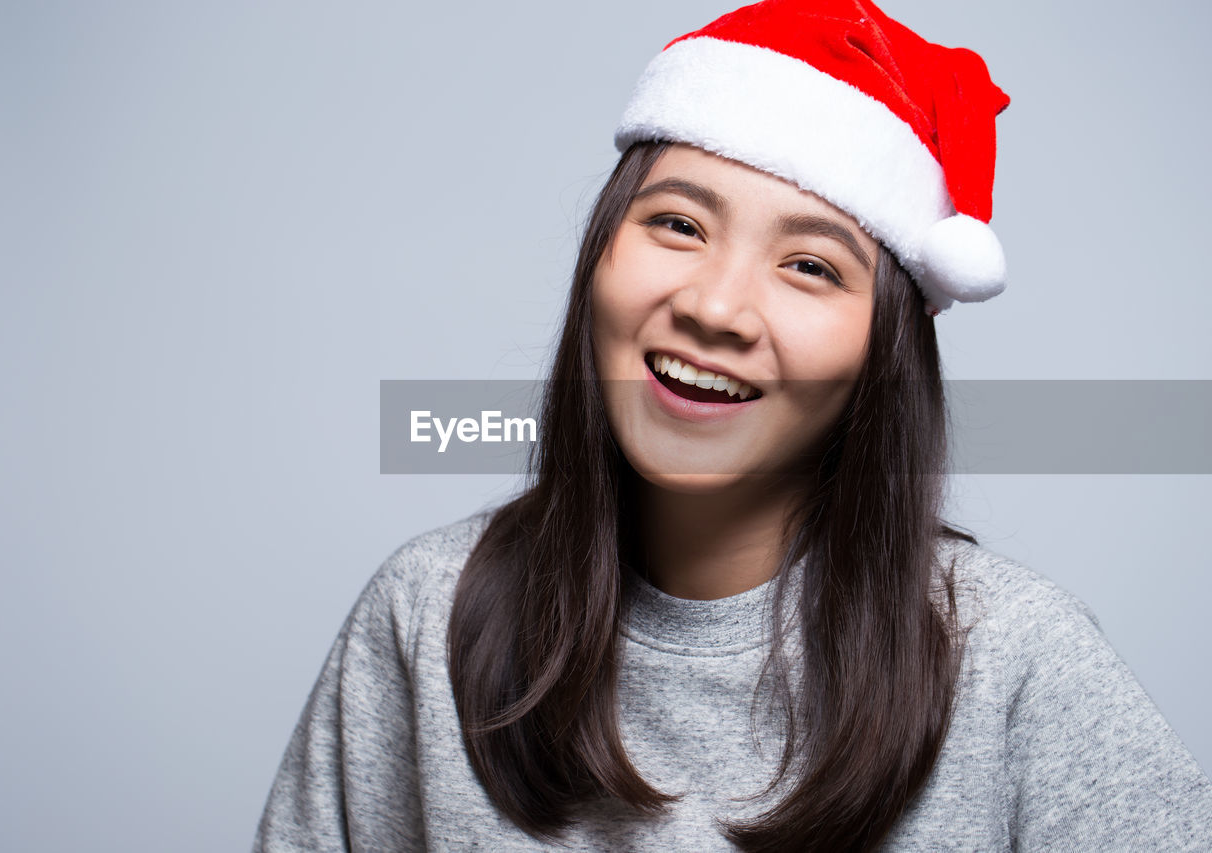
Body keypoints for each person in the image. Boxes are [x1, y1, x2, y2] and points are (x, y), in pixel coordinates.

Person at [254, 0, 1212, 849]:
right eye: (677, 224)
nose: (716, 306)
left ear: (883, 352)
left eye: (811, 267)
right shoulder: (423, 617)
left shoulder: (1014, 661)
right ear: (600, 255)